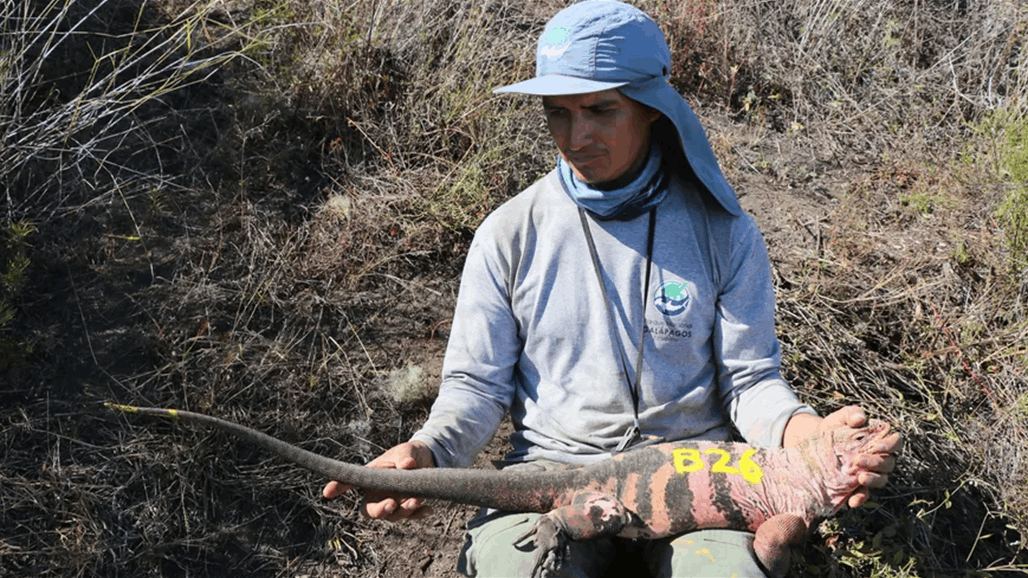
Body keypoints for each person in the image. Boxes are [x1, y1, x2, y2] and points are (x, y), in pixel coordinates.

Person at [323, 1, 901, 576]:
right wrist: (427, 454)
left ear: (651, 109)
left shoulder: (723, 231)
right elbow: (476, 387)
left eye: (602, 111)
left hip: (696, 476)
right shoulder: (509, 233)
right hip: (552, 471)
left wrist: (812, 436)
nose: (577, 137)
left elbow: (751, 382)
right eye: (558, 113)